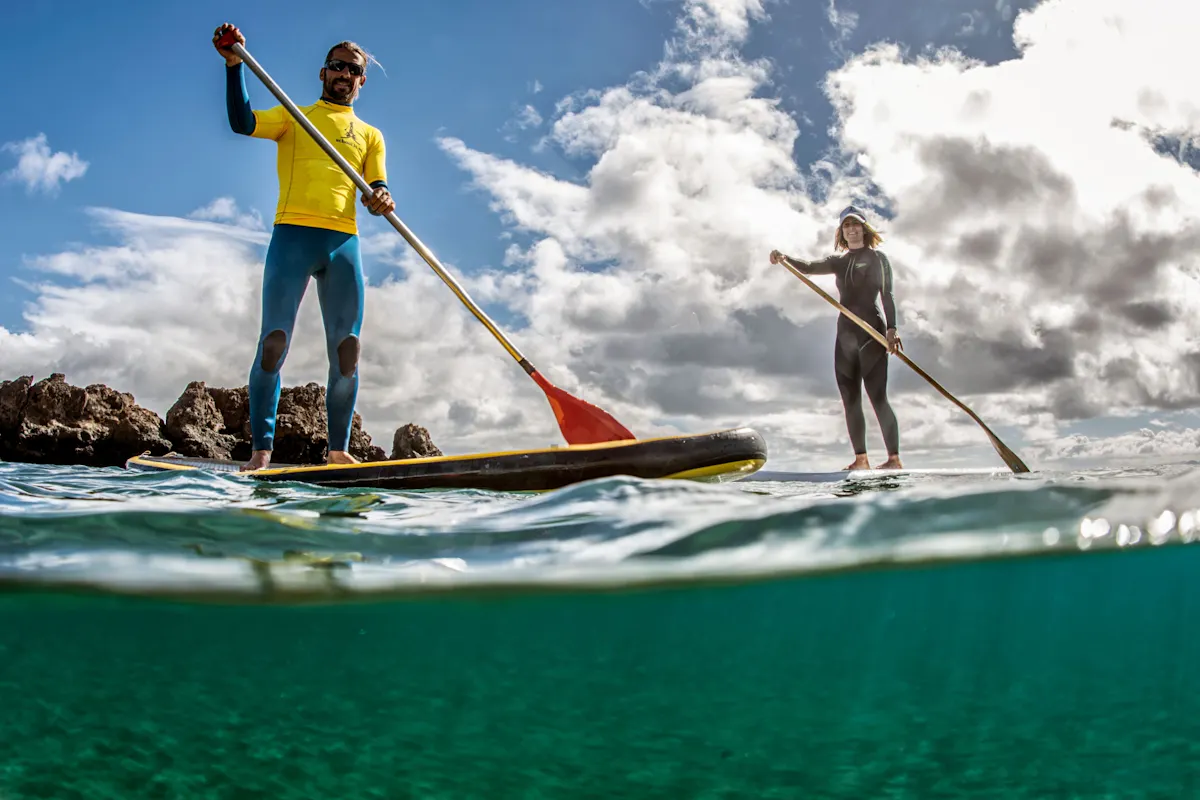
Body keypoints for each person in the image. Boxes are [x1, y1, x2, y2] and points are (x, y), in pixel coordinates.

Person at [212, 23, 396, 471]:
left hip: (342, 244)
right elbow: (243, 122)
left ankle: (338, 451)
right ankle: (261, 453)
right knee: (274, 343)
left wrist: (382, 197)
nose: (344, 74)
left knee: (348, 351)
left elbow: (378, 187)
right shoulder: (296, 116)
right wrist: (235, 67)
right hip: (292, 237)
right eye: (336, 66)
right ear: (322, 72)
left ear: (361, 81)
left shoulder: (371, 135)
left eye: (353, 69)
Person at [770, 205, 904, 470]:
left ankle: (894, 459)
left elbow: (887, 295)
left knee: (877, 396)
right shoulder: (839, 262)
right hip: (845, 335)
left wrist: (891, 329)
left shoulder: (878, 259)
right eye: (846, 225)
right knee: (849, 398)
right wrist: (784, 258)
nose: (852, 229)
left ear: (864, 229)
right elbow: (808, 267)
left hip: (871, 332)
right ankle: (861, 459)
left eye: (856, 225)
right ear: (842, 232)